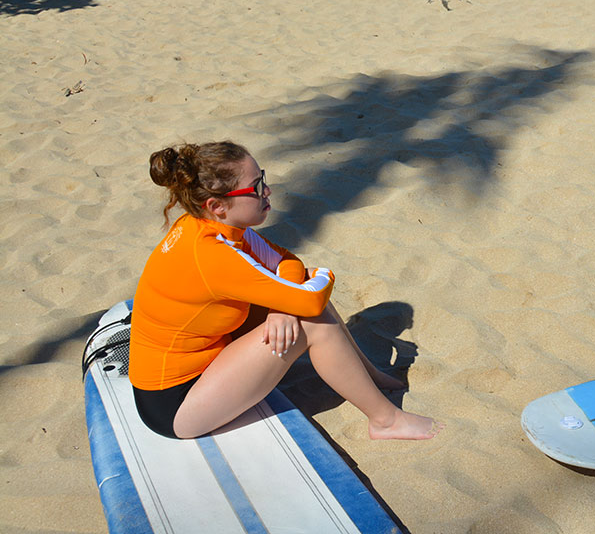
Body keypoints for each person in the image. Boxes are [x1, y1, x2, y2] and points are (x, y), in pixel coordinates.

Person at [129, 141, 441, 440]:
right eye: (255, 187)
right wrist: (314, 280)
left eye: (262, 177)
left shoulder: (215, 228)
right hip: (174, 403)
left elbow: (287, 261)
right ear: (218, 206)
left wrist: (282, 306)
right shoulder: (214, 255)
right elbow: (309, 291)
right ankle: (386, 421)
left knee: (298, 301)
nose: (267, 191)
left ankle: (371, 376)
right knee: (310, 318)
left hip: (204, 360)